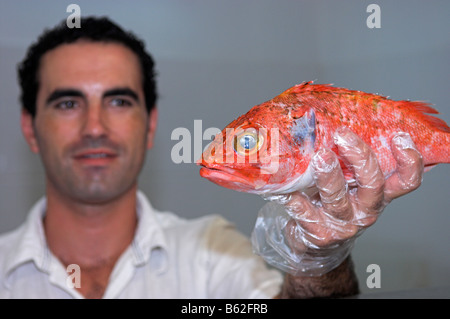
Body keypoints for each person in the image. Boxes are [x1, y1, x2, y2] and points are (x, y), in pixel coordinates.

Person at [0, 17, 424, 299]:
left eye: (118, 102)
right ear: (28, 128)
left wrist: (315, 258)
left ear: (150, 125)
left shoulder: (216, 253)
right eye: (67, 104)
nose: (95, 126)